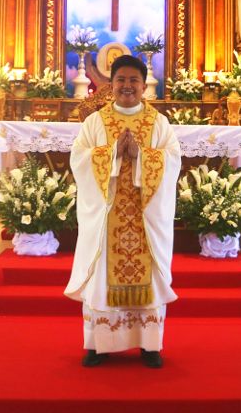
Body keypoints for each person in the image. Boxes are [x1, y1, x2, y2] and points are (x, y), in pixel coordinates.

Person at [65, 54, 181, 369]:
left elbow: (174, 160)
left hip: (145, 219)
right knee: (102, 275)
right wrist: (113, 153)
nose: (127, 86)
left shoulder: (159, 123)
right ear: (110, 84)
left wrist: (141, 155)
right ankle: (98, 344)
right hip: (108, 216)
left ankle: (149, 345)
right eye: (121, 80)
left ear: (144, 86)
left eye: (133, 80)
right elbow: (79, 159)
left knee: (149, 277)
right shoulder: (94, 122)